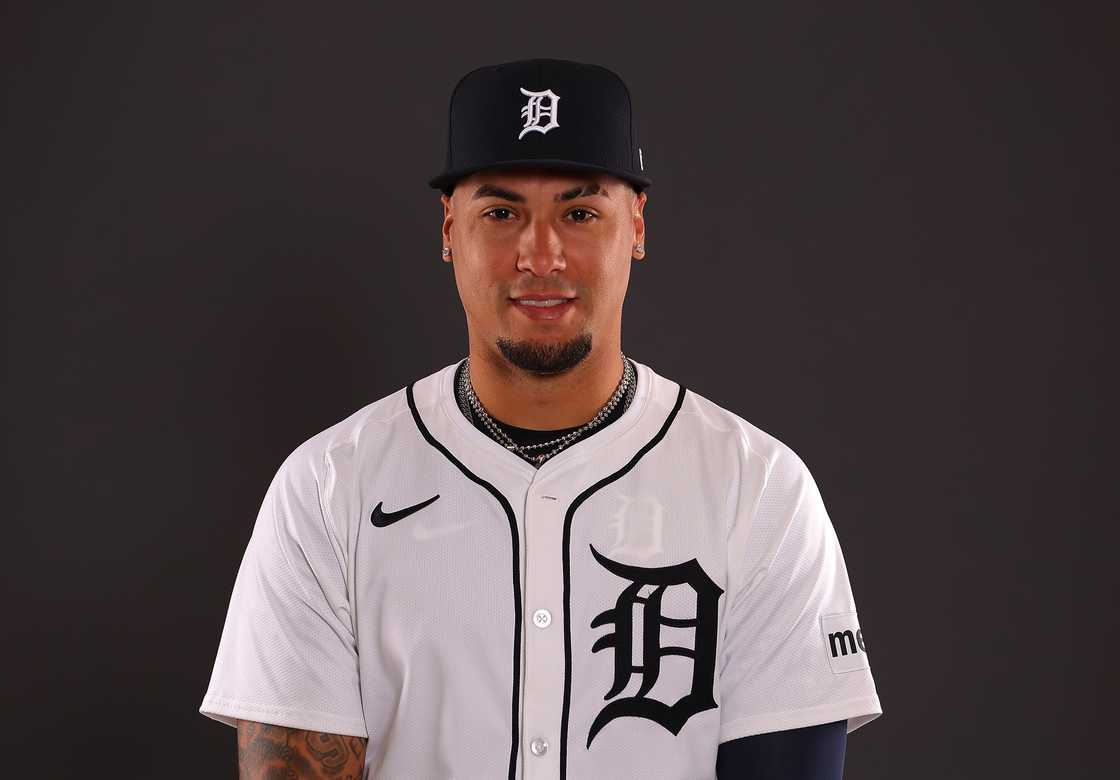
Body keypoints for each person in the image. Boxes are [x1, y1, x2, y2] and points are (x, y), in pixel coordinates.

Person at [200, 57, 883, 779]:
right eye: (501, 213)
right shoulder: (326, 489)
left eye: (579, 213)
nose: (541, 254)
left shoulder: (759, 489)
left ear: (638, 227)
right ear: (448, 229)